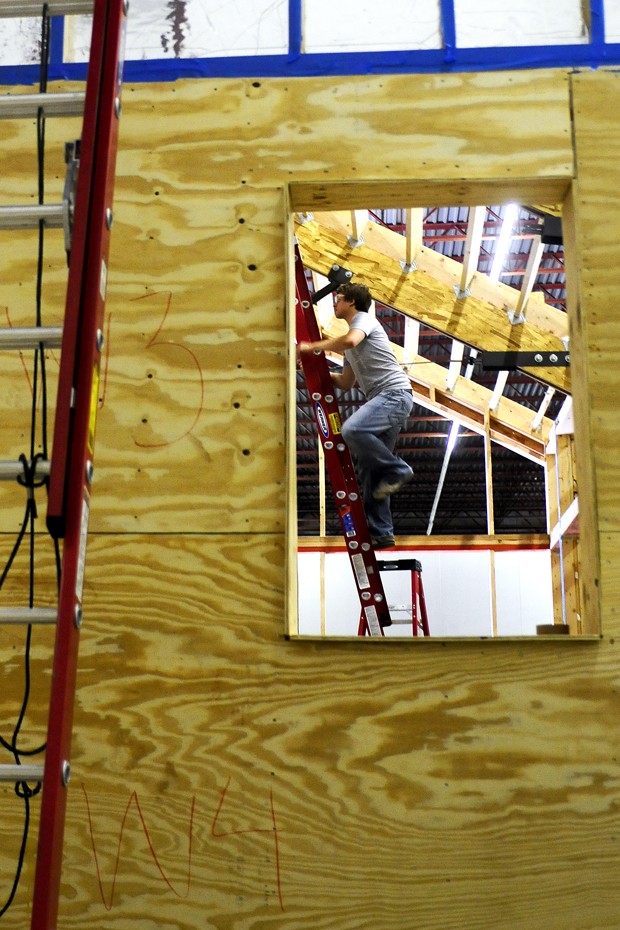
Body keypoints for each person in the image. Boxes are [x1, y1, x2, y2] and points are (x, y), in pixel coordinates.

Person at [298, 282, 413, 548]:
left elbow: (350, 339)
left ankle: (397, 469)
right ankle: (382, 532)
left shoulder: (364, 321)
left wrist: (314, 346)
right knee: (370, 469)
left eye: (337, 299)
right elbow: (347, 382)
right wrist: (312, 373)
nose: (334, 303)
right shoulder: (351, 343)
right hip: (386, 399)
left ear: (352, 302)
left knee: (351, 430)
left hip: (394, 395)